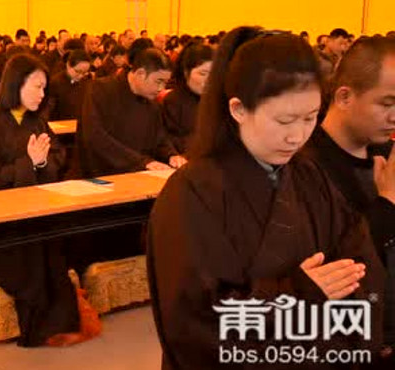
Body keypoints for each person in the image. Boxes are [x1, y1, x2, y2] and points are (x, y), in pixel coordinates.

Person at [148, 27, 385, 370]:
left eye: (310, 118)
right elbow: (193, 323)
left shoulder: (310, 176)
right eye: (284, 120)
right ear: (239, 109)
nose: (297, 135)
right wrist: (297, 295)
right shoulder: (192, 192)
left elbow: (359, 269)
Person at [0, 54, 100, 347]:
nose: (42, 95)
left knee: (63, 242)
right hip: (3, 222)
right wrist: (29, 163)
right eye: (37, 87)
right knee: (34, 256)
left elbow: (58, 157)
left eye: (44, 89)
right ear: (16, 84)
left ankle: (58, 319)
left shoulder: (37, 120)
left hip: (37, 212)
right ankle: (41, 322)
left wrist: (40, 165)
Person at [300, 36, 395, 365]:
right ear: (344, 96)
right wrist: (386, 203)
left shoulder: (384, 152)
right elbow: (337, 265)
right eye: (387, 103)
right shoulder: (304, 165)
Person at [77, 47, 184, 178]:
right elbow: (95, 137)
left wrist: (171, 155)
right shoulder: (100, 90)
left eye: (165, 83)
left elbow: (159, 139)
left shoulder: (152, 103)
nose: (161, 89)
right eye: (158, 81)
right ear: (140, 73)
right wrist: (141, 162)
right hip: (101, 174)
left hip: (140, 174)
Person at [162, 42, 213, 154]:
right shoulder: (172, 101)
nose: (209, 80)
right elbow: (169, 140)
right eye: (203, 74)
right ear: (186, 73)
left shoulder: (218, 101)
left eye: (213, 74)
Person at [46, 49, 91, 121]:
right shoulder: (55, 83)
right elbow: (48, 111)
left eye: (84, 73)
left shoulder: (86, 82)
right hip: (60, 126)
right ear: (68, 65)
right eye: (78, 71)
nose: (81, 76)